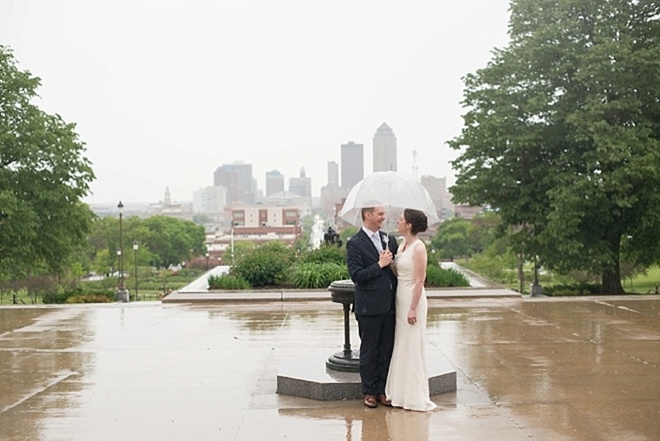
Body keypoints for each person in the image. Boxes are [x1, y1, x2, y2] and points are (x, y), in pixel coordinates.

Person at [346, 205, 399, 408]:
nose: (383, 218)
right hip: (369, 308)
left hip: (390, 306)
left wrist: (393, 266)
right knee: (369, 350)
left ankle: (382, 390)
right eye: (380, 214)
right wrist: (380, 265)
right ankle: (369, 391)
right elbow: (357, 276)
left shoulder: (389, 240)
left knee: (387, 349)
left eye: (384, 214)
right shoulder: (354, 243)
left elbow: (393, 272)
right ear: (367, 215)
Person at [385, 208, 437, 411]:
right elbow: (400, 273)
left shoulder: (418, 247)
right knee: (402, 344)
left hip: (413, 299)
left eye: (400, 219)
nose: (397, 221)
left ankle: (413, 395)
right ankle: (399, 393)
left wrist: (413, 308)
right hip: (400, 297)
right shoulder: (402, 245)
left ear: (409, 225)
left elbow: (419, 280)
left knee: (413, 345)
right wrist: (390, 263)